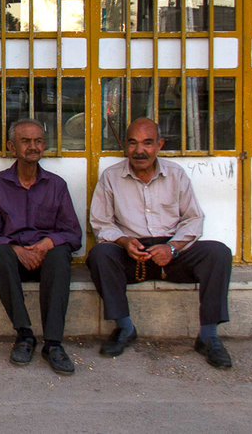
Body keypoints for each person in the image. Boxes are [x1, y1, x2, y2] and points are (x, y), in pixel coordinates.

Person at [87, 117, 233, 369]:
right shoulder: (111, 177)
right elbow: (100, 222)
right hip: (133, 252)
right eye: (132, 143)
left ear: (159, 145)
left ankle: (208, 337)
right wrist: (123, 241)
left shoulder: (176, 175)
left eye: (147, 143)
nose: (139, 150)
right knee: (100, 255)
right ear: (124, 145)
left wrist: (173, 247)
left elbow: (194, 218)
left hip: (171, 252)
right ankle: (125, 328)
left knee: (218, 253)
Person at [0, 118, 82, 375]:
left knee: (60, 254)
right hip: (13, 261)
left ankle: (54, 344)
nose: (33, 147)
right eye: (26, 141)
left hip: (47, 260)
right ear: (12, 147)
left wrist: (46, 244)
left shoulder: (56, 185)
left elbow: (73, 234)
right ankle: (24, 335)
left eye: (38, 141)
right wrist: (17, 250)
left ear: (44, 146)